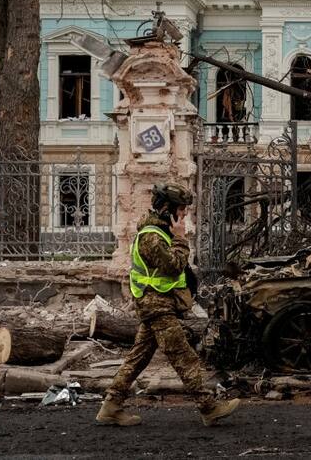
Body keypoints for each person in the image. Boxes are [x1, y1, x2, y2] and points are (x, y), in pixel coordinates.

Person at [96, 183, 240, 427]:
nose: (184, 214)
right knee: (184, 357)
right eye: (181, 209)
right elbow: (173, 265)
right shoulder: (152, 237)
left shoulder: (161, 232)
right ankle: (209, 407)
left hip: (158, 304)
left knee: (138, 359)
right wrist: (181, 239)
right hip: (156, 305)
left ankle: (111, 406)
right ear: (167, 208)